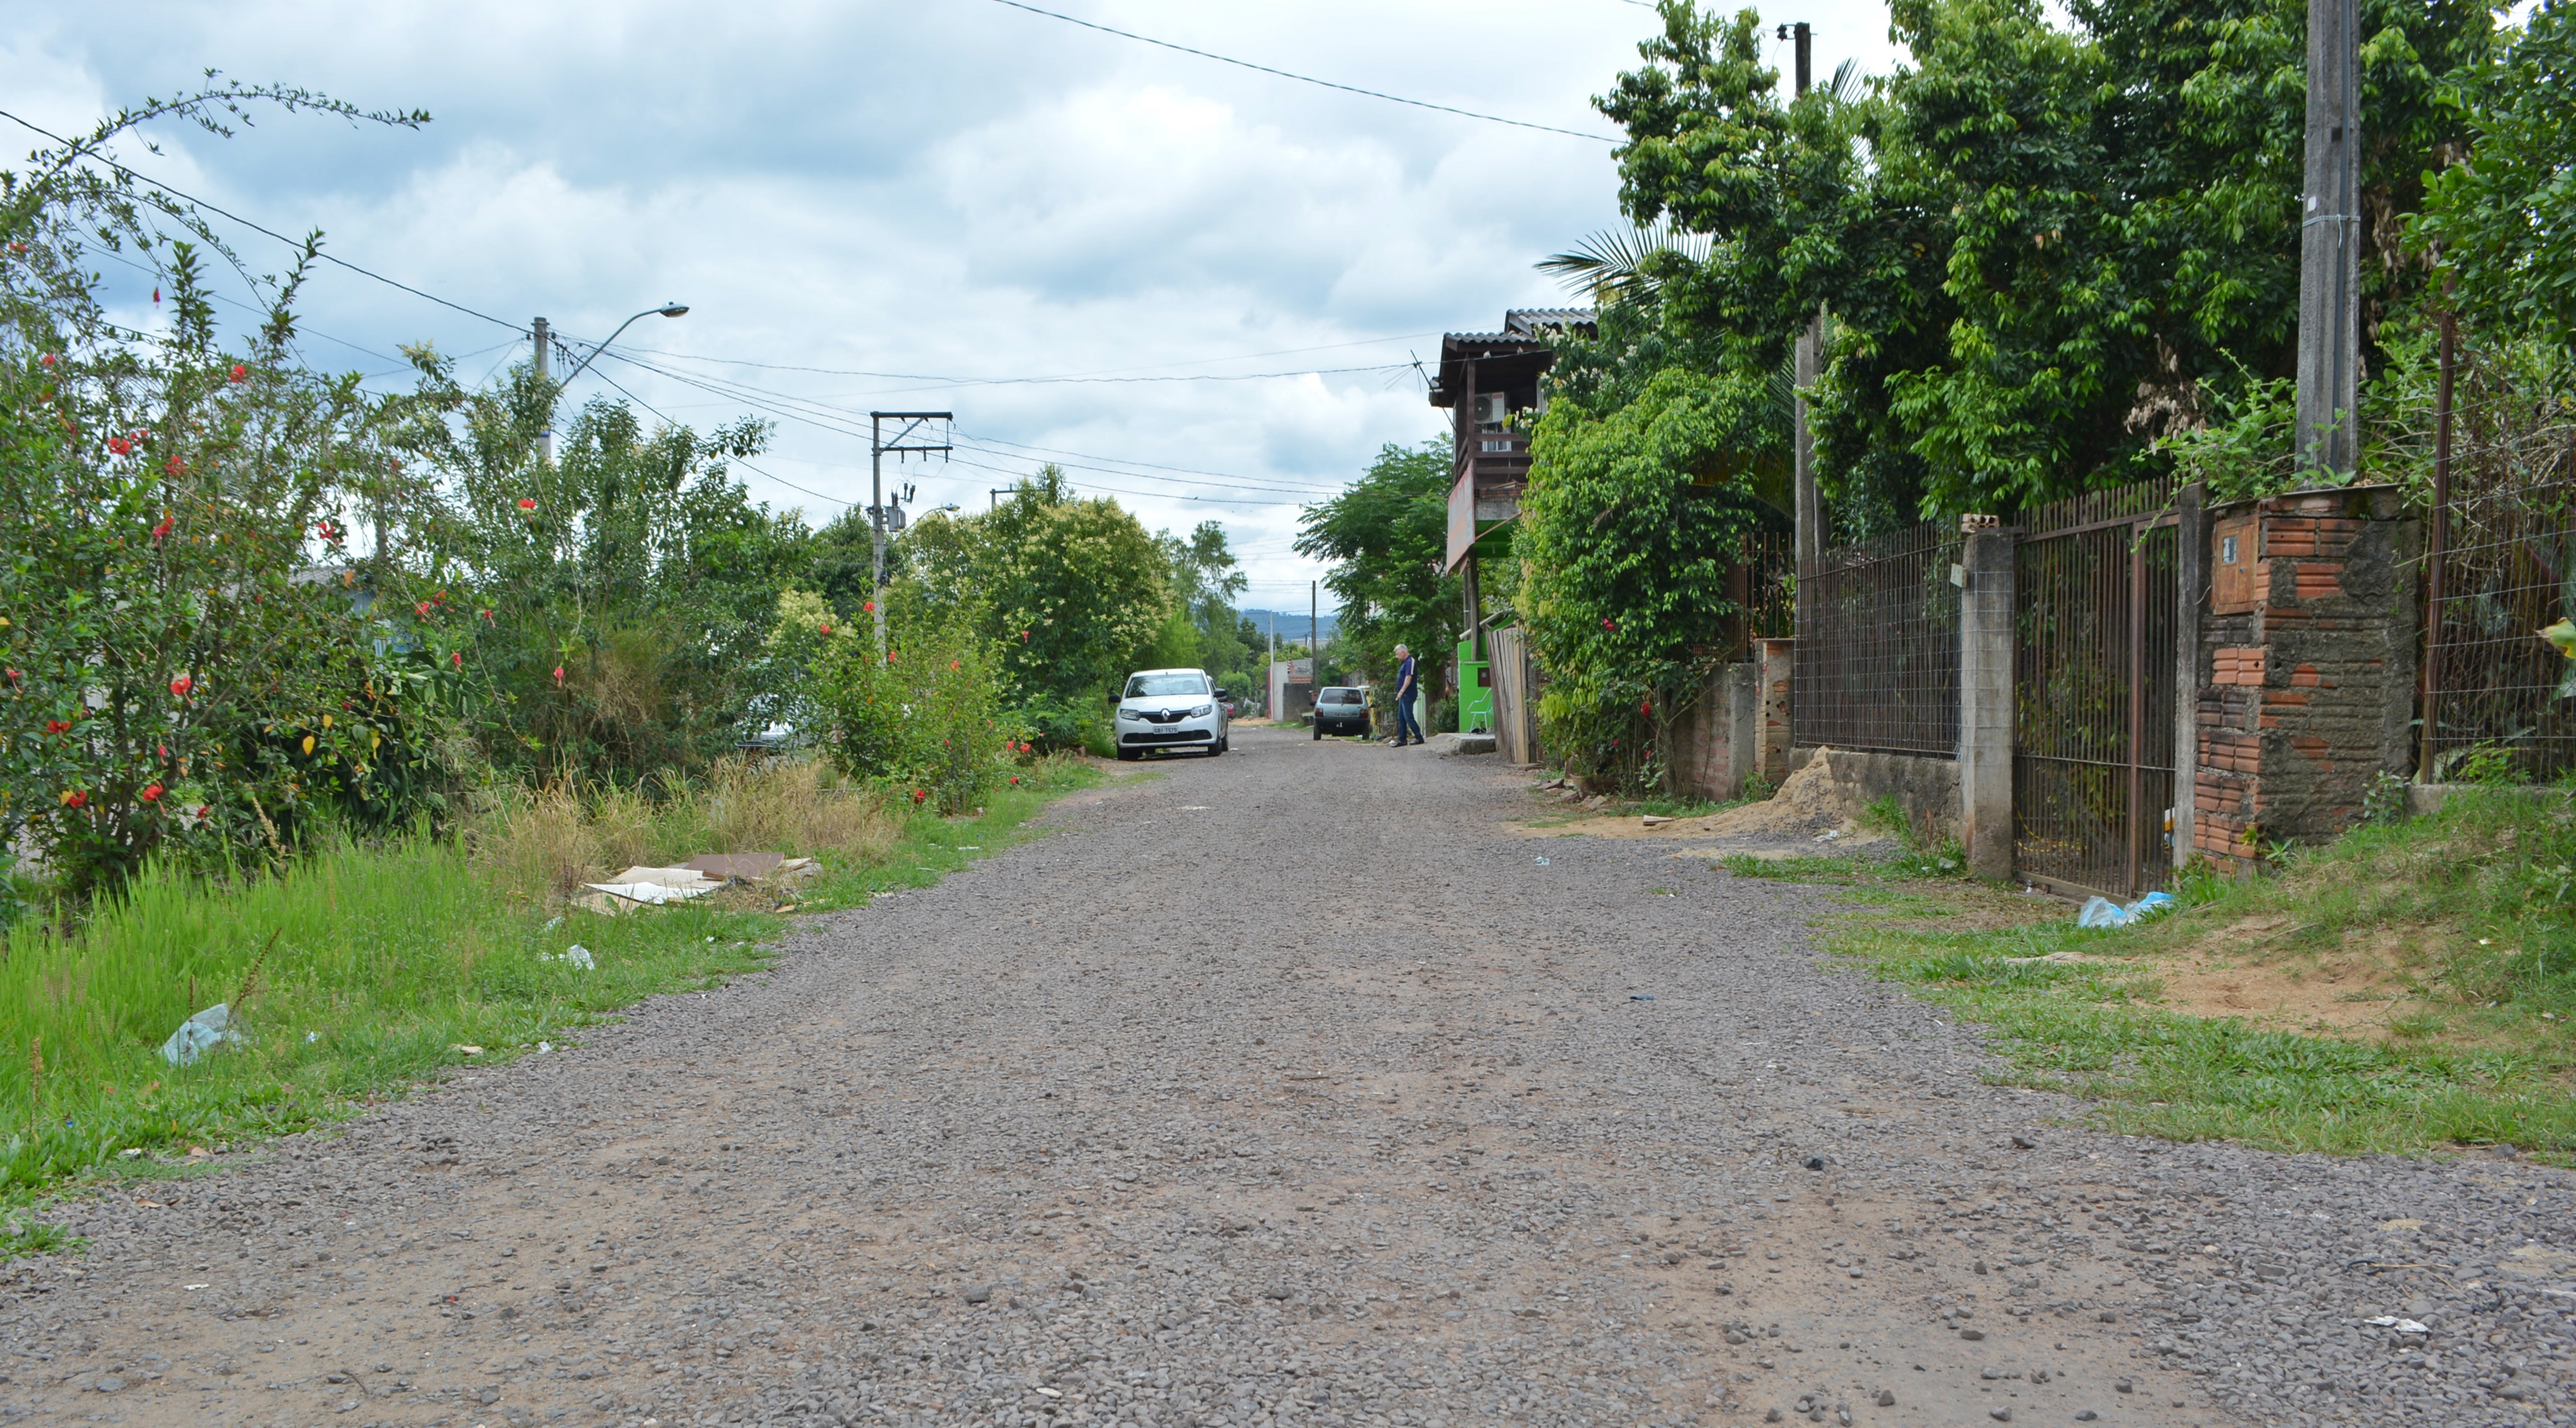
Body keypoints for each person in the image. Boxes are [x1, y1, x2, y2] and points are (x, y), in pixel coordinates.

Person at [1390, 643, 1423, 747]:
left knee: (1408, 717)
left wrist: (1402, 691)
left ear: (1403, 653)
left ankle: (1419, 737)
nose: (1397, 657)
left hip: (1408, 694)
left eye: (1397, 654)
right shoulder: (1405, 663)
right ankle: (1402, 740)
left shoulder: (1410, 662)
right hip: (1404, 695)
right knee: (1401, 718)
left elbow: (1409, 677)